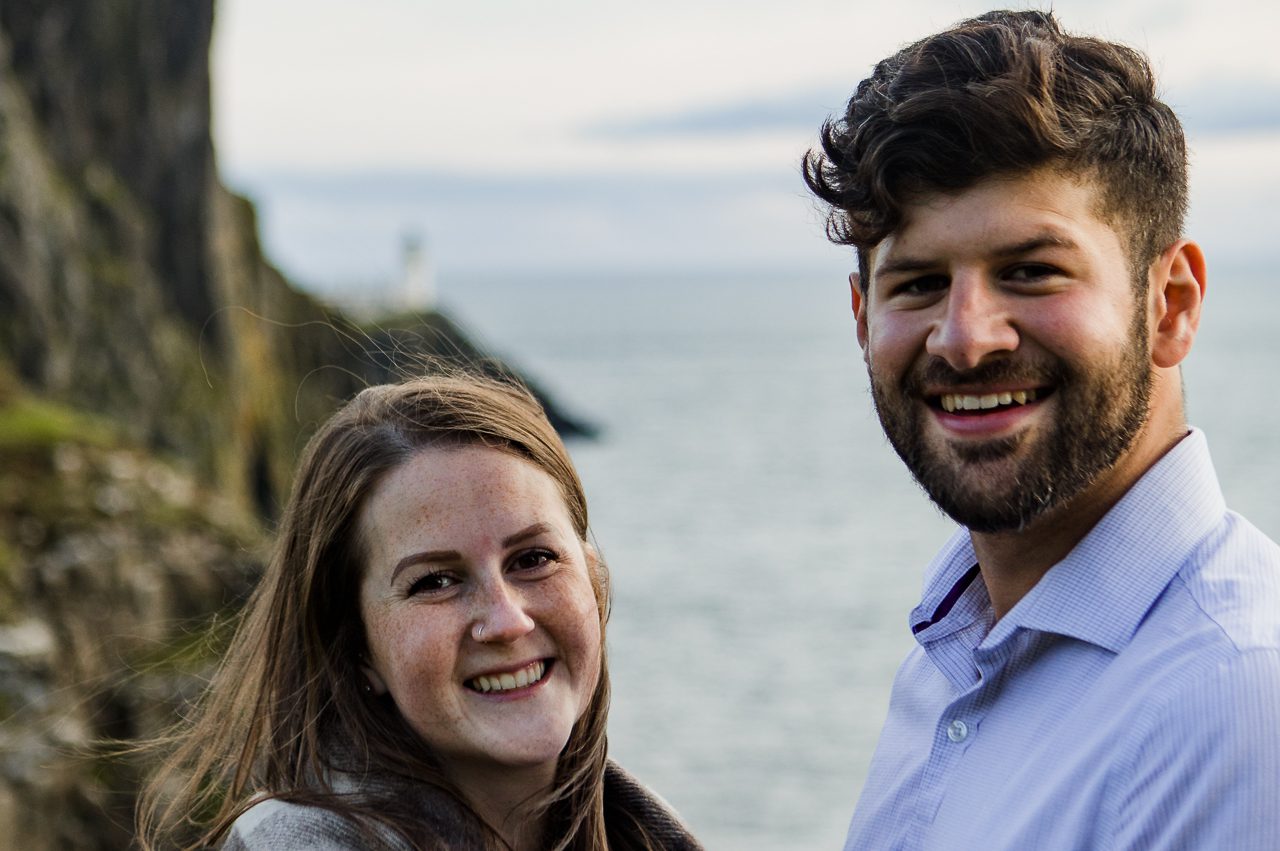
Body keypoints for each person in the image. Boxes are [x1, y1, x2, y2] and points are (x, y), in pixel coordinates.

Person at [803, 10, 1280, 850]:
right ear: (861, 318)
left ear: (1171, 304)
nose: (965, 337)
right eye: (916, 283)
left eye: (1031, 272)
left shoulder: (1236, 695)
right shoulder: (950, 652)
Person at [136, 374, 701, 850]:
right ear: (356, 648)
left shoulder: (641, 832)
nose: (507, 621)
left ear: (594, 584)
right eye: (435, 581)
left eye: (534, 558)